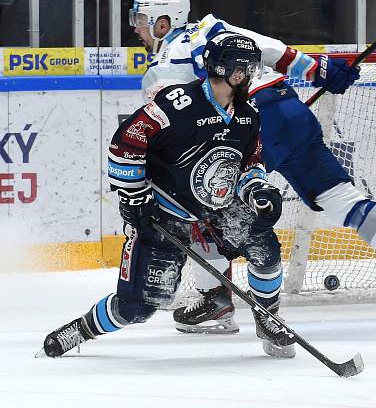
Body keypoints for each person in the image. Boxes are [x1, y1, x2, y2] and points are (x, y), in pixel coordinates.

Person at [131, 0, 376, 334]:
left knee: (199, 204)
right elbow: (272, 50)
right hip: (288, 107)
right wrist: (320, 70)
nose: (137, 28)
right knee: (338, 194)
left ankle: (215, 300)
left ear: (164, 22)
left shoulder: (164, 64)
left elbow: (174, 125)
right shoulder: (214, 27)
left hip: (250, 124)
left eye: (142, 19)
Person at [38, 32, 297, 358]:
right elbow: (124, 147)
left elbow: (248, 164)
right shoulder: (177, 105)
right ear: (226, 69)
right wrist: (134, 197)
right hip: (165, 210)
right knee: (138, 307)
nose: (249, 76)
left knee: (265, 248)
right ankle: (82, 329)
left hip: (216, 208)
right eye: (244, 69)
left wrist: (258, 189)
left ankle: (267, 316)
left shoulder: (247, 114)